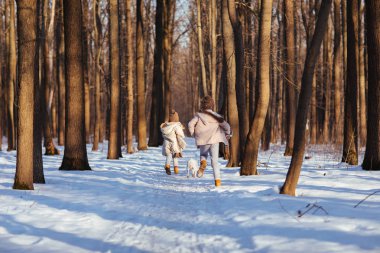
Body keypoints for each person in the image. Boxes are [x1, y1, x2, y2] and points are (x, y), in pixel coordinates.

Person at [188, 95, 231, 187]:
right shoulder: (216, 116)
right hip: (215, 140)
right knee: (215, 161)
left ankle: (203, 164)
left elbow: (190, 124)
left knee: (203, 155)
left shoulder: (199, 116)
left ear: (202, 106)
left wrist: (194, 134)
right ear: (212, 105)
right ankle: (217, 181)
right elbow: (226, 126)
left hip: (204, 140)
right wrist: (227, 134)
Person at [160, 109, 186, 175]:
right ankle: (176, 168)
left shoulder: (166, 126)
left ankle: (167, 165)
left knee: (169, 155)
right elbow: (180, 133)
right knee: (175, 155)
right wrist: (181, 132)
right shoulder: (176, 125)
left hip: (166, 142)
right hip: (174, 142)